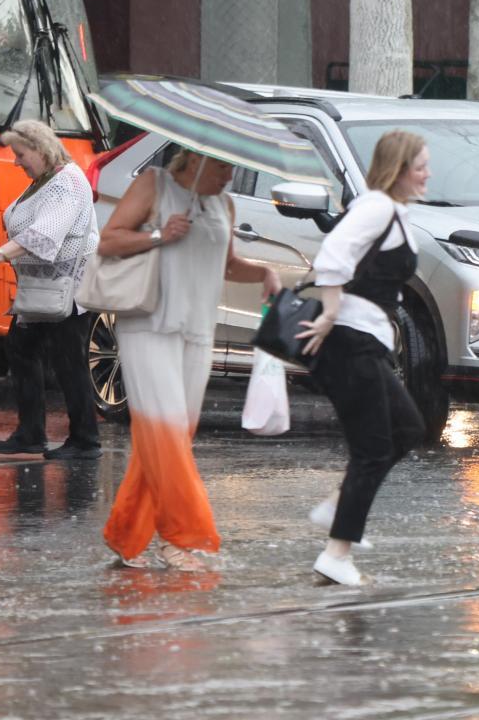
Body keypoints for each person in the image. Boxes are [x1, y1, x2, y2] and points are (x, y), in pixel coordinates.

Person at [99, 149, 281, 571]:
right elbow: (109, 239)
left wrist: (265, 273)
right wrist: (160, 235)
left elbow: (228, 264)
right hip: (148, 326)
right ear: (194, 160)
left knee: (173, 437)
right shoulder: (154, 185)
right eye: (222, 164)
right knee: (163, 432)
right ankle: (181, 538)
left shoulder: (225, 204)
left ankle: (125, 533)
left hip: (197, 332)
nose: (230, 174)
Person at [296, 130, 428, 586]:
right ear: (399, 168)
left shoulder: (397, 212)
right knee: (373, 449)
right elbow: (332, 253)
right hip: (349, 340)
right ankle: (336, 552)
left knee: (408, 429)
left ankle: (339, 505)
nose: (427, 173)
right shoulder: (376, 206)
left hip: (367, 339)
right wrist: (331, 309)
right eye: (420, 165)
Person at [0, 120, 100, 459]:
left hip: (66, 290)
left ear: (41, 150)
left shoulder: (66, 182)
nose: (17, 162)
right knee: (22, 349)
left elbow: (44, 235)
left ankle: (85, 441)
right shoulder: (46, 179)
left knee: (68, 361)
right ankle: (31, 433)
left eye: (21, 154)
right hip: (43, 289)